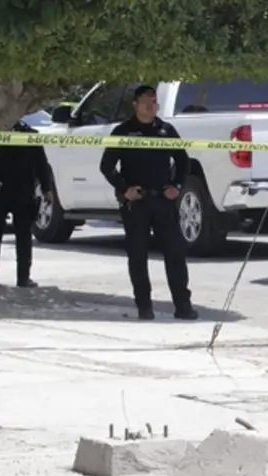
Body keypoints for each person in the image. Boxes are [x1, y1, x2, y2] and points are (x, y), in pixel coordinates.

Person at [100, 85, 197, 321]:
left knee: (175, 254)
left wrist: (177, 185)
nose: (150, 106)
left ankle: (182, 305)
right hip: (137, 203)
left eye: (153, 102)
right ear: (135, 104)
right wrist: (124, 189)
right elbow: (106, 166)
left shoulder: (166, 130)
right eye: (145, 102)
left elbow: (183, 161)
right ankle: (144, 306)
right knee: (137, 255)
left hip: (163, 201)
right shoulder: (123, 131)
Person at [0, 119, 53, 287]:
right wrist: (46, 190)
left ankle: (22, 276)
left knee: (21, 236)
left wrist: (47, 189)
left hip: (18, 191)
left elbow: (41, 164)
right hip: (1, 189)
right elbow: (42, 165)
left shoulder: (29, 135)